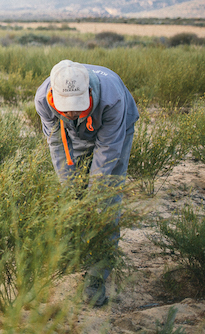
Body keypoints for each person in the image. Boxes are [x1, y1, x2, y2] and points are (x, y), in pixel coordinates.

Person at [34, 59, 139, 306]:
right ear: (54, 98)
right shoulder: (42, 100)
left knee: (105, 199)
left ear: (89, 93)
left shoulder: (112, 99)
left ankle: (97, 273)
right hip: (74, 134)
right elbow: (58, 147)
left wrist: (93, 200)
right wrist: (72, 195)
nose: (71, 113)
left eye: (77, 107)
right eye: (66, 108)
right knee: (73, 195)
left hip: (115, 132)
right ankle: (79, 251)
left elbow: (106, 154)